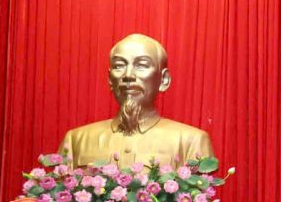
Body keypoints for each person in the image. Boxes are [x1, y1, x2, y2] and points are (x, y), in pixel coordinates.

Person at [57, 32, 214, 167]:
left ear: (164, 79)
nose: (128, 75)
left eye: (142, 65)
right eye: (119, 65)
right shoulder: (76, 140)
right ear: (110, 79)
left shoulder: (191, 142)